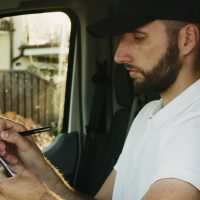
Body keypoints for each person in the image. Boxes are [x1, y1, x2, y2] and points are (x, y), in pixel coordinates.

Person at [0, 0, 200, 199]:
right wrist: (38, 167)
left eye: (139, 38)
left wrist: (37, 197)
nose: (118, 56)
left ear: (187, 39)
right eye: (123, 37)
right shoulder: (149, 112)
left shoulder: (194, 127)